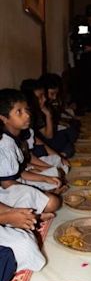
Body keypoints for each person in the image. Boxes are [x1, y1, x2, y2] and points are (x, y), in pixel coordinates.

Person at [0, 89, 61, 222]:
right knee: (53, 202)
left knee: (54, 177)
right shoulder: (4, 144)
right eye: (19, 112)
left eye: (26, 110)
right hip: (6, 191)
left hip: (16, 183)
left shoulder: (15, 138)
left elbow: (20, 172)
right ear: (4, 118)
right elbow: (7, 184)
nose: (27, 115)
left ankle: (32, 212)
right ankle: (24, 216)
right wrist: (36, 187)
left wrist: (45, 179)